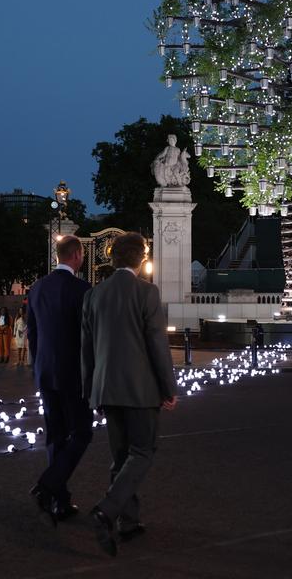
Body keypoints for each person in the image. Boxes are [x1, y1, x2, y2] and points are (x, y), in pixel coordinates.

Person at [81, 232, 178, 557]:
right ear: (141, 259)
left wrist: (90, 391)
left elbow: (87, 350)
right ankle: (107, 510)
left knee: (120, 455)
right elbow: (157, 345)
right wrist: (168, 388)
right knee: (142, 452)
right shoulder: (146, 292)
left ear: (113, 258)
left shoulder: (94, 295)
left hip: (106, 387)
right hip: (141, 389)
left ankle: (128, 520)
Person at [26, 234, 93, 525]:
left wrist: (36, 368)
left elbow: (32, 334)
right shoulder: (83, 289)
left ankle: (58, 501)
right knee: (81, 433)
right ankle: (49, 484)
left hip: (45, 371)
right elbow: (89, 337)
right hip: (73, 373)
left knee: (54, 435)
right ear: (77, 255)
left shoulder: (37, 287)